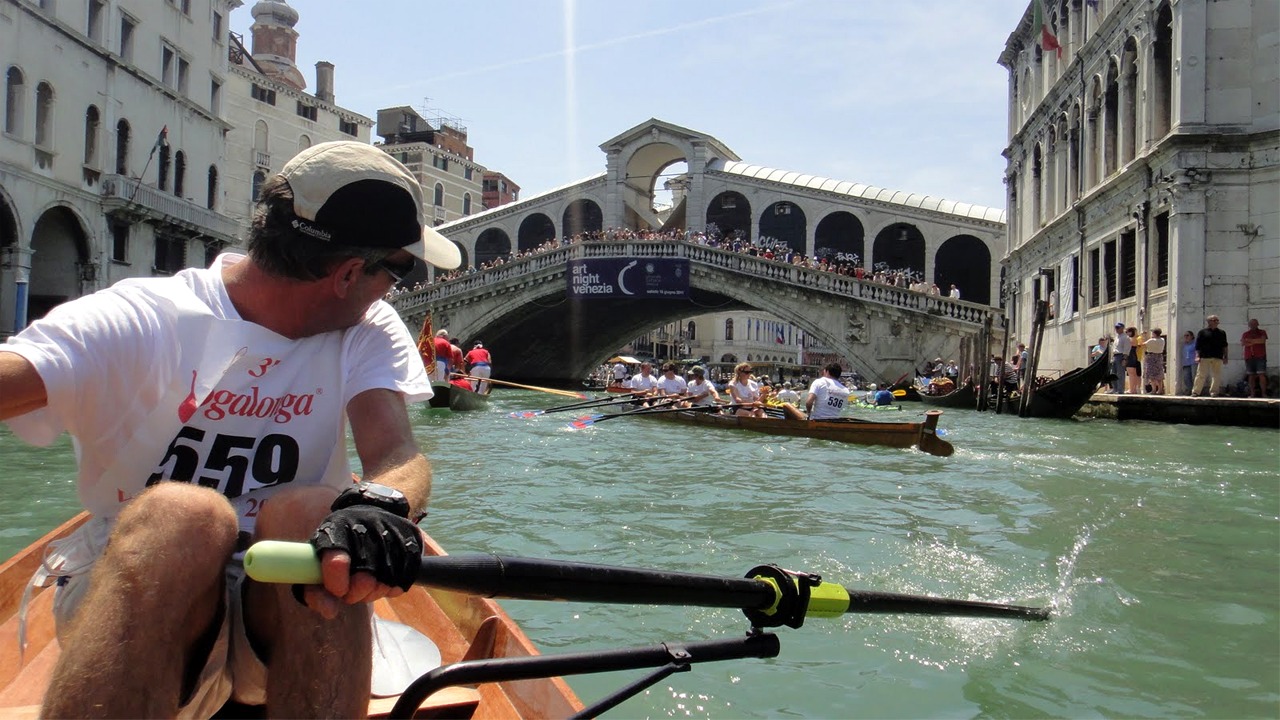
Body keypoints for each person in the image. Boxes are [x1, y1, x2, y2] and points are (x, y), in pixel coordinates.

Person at [0, 140, 462, 717]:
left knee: (319, 515)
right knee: (183, 517)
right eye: (399, 269)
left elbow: (396, 452)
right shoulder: (142, 317)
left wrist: (380, 505)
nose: (396, 288)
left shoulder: (367, 329)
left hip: (288, 586)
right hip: (143, 576)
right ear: (348, 273)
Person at [1192, 315, 1229, 397]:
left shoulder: (1222, 333)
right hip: (1205, 356)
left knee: (1216, 375)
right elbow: (1198, 345)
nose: (1216, 321)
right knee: (1200, 374)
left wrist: (1226, 356)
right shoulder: (1202, 332)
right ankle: (1196, 391)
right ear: (1209, 322)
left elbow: (1225, 346)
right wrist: (1197, 356)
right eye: (1214, 320)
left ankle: (1214, 392)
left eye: (1217, 320)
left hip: (1217, 356)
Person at [1241, 318, 1269, 397]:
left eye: (1255, 324)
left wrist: (1250, 341)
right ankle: (1252, 393)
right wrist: (1255, 341)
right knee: (1251, 375)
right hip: (1249, 357)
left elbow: (1262, 341)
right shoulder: (1246, 333)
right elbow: (1243, 343)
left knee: (1261, 374)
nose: (1253, 326)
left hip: (1260, 356)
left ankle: (1264, 393)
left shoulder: (1262, 332)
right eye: (1251, 324)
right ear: (1249, 325)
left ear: (1257, 324)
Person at [1138, 328, 1167, 394]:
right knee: (1159, 374)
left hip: (1151, 357)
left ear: (1154, 333)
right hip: (1159, 356)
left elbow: (1141, 345)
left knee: (1151, 374)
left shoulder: (1151, 341)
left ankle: (1154, 390)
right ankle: (1160, 390)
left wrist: (1142, 336)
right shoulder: (1162, 340)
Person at [1111, 322, 1131, 393]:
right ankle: (1114, 389)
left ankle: (1120, 390)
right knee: (1113, 373)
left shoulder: (1125, 337)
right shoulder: (1117, 337)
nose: (1116, 329)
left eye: (1118, 328)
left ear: (1122, 328)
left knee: (1120, 373)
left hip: (1121, 355)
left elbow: (1127, 349)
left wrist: (1124, 359)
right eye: (1116, 327)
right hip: (1115, 356)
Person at [1124, 327, 1142, 394]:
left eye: (1127, 332)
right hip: (1134, 356)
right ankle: (1133, 389)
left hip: (1130, 356)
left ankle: (1131, 390)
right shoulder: (1136, 339)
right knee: (1134, 374)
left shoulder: (1130, 339)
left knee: (1131, 374)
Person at [1180, 330, 1198, 395]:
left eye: (1187, 335)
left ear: (1192, 336)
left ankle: (1195, 391)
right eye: (1185, 336)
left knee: (1194, 377)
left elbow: (1197, 352)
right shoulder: (1184, 344)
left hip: (1193, 362)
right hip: (1186, 363)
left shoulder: (1195, 343)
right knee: (1186, 378)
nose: (1186, 337)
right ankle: (1189, 390)